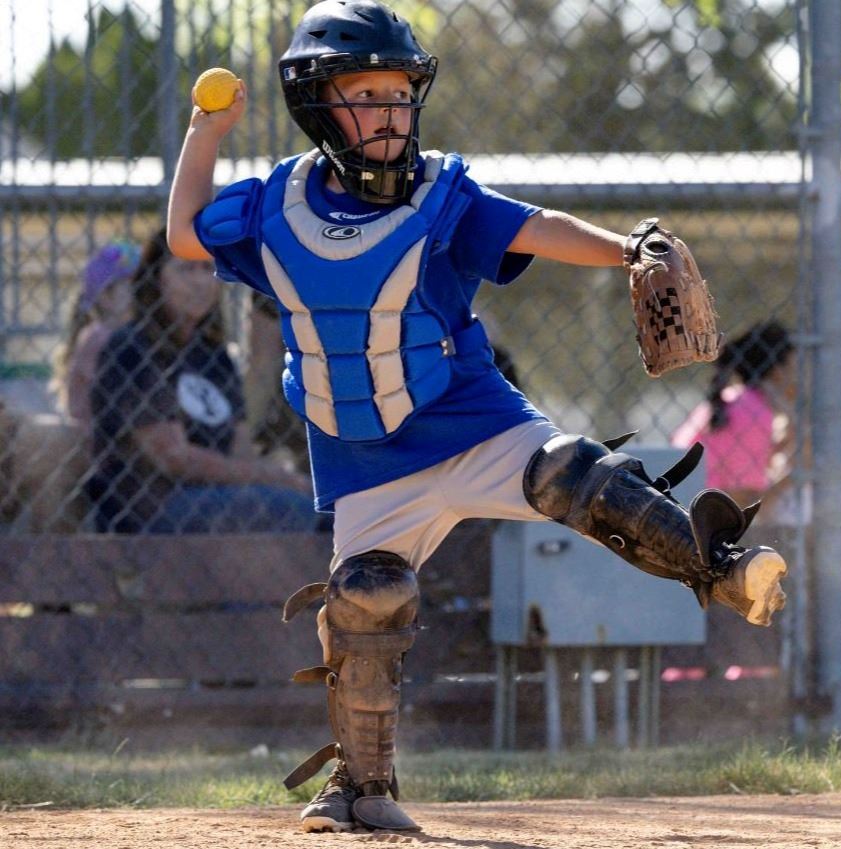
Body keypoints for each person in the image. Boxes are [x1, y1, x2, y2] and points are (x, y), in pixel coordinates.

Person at [166, 1, 788, 833]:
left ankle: (722, 566)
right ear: (318, 105)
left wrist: (623, 250)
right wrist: (207, 129)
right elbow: (182, 235)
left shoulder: (441, 196)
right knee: (364, 599)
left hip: (471, 420)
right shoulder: (276, 207)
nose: (390, 112)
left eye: (399, 94)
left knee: (573, 472)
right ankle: (363, 786)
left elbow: (534, 226)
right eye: (366, 94)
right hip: (370, 459)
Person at [87, 228, 325, 534]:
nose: (201, 282)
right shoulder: (133, 346)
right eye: (186, 269)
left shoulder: (214, 356)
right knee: (293, 509)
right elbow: (173, 457)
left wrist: (276, 475)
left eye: (207, 269)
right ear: (157, 279)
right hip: (153, 504)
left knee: (322, 510)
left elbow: (240, 448)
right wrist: (268, 478)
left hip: (221, 494)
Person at [670, 321, 808, 525]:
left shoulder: (742, 402)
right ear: (778, 371)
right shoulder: (752, 413)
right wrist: (794, 476)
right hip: (691, 519)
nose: (804, 377)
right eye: (797, 367)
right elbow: (740, 505)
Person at [50, 241, 138, 433]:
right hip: (96, 441)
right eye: (135, 286)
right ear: (105, 296)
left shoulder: (128, 336)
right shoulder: (99, 337)